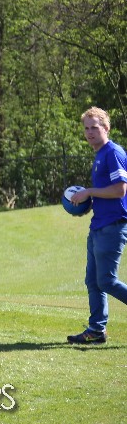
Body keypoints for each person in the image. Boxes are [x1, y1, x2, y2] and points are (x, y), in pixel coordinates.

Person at [66, 106, 127, 345]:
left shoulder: (113, 153)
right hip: (98, 226)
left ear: (106, 128)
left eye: (94, 127)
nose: (90, 132)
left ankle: (96, 329)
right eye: (86, 128)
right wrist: (86, 203)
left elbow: (120, 190)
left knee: (107, 281)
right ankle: (96, 330)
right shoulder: (99, 154)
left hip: (113, 226)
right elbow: (107, 193)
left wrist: (89, 191)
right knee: (93, 282)